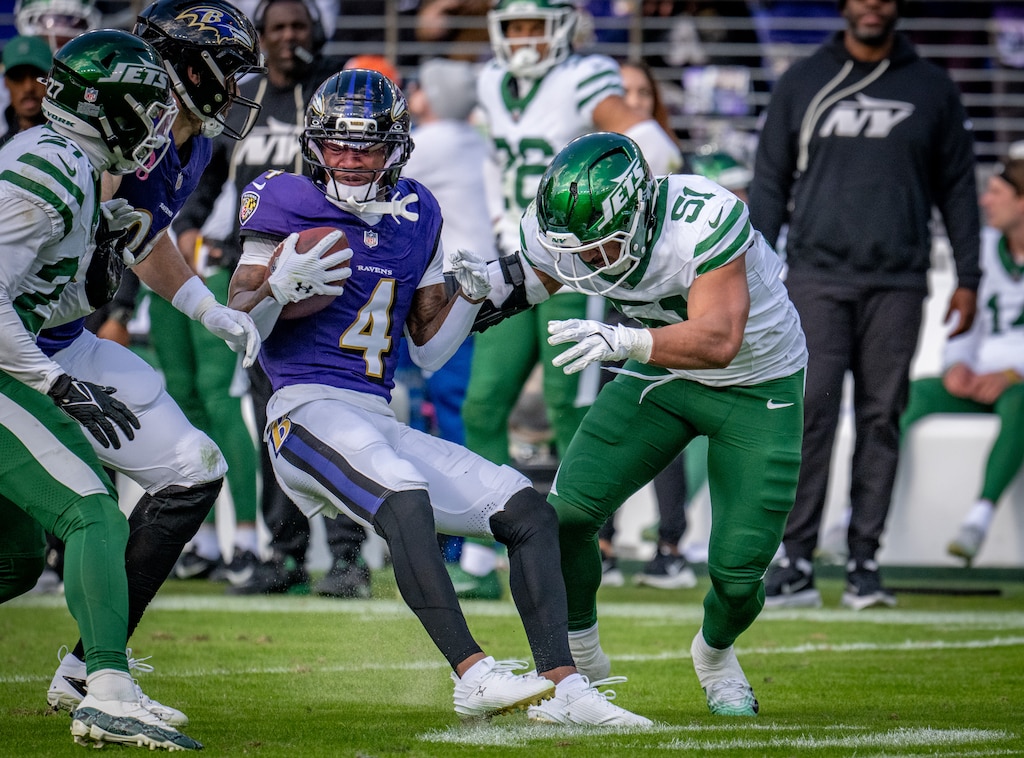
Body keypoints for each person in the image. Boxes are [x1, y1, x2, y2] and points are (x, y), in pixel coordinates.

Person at [227, 68, 652, 727]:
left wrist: (479, 295)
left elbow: (426, 348)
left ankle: (563, 686)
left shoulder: (416, 212)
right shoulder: (280, 198)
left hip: (374, 413)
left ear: (395, 147)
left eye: (364, 146)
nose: (348, 159)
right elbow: (239, 332)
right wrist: (277, 288)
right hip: (301, 410)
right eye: (336, 145)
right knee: (403, 492)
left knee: (526, 511)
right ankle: (474, 675)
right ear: (314, 144)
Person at [461, 131, 806, 716]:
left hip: (757, 384)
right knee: (565, 516)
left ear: (642, 212)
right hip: (663, 376)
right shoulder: (566, 234)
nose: (589, 259)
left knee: (739, 573)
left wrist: (626, 340)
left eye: (602, 245)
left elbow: (721, 339)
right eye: (578, 248)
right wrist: (478, 292)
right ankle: (583, 651)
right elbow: (542, 275)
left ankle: (716, 654)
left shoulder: (703, 216)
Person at [37, 0, 264, 723]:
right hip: (23, 342)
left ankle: (87, 666)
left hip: (67, 337)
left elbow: (141, 238)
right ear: (188, 64)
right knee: (53, 532)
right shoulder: (127, 117)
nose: (235, 90)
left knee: (193, 469)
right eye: (226, 71)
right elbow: (86, 214)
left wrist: (206, 307)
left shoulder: (189, 139)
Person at [0, 28, 202, 752]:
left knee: (17, 562)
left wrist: (100, 247)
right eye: (144, 108)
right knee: (94, 514)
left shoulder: (74, 170)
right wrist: (61, 384)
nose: (154, 126)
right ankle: (107, 688)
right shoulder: (50, 168)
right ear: (105, 108)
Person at [749, 0, 981, 611]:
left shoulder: (932, 88)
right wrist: (751, 269)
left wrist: (969, 276)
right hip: (816, 278)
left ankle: (863, 563)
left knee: (882, 419)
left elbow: (959, 186)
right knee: (811, 416)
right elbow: (770, 179)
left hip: (900, 281)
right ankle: (795, 561)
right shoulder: (803, 81)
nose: (872, 5)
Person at [460, 0, 681, 597]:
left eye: (536, 25)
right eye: (515, 27)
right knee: (483, 403)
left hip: (575, 264)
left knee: (569, 407)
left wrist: (620, 225)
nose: (525, 39)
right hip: (516, 255)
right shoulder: (488, 79)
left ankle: (585, 542)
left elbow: (653, 146)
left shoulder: (585, 75)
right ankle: (486, 553)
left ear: (560, 28)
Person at [172, 0, 372, 598]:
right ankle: (282, 555)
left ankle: (347, 558)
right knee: (272, 424)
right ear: (260, 36)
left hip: (331, 278)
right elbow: (211, 172)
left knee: (340, 420)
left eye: (298, 26)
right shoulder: (243, 97)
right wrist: (194, 221)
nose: (288, 38)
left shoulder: (337, 93)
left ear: (319, 30)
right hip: (259, 277)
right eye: (277, 28)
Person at [596, 58, 694, 590]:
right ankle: (603, 541)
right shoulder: (588, 169)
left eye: (641, 93)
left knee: (669, 425)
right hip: (612, 306)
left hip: (672, 314)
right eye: (621, 92)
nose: (631, 102)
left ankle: (671, 544)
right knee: (611, 417)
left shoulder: (679, 170)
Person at [901, 157, 1024, 566]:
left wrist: (1014, 373)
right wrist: (957, 364)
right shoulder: (986, 250)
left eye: (997, 193)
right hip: (980, 377)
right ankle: (854, 512)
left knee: (1021, 402)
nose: (985, 200)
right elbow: (966, 323)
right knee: (909, 393)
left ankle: (979, 517)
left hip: (1016, 385)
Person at [1, 34, 50, 145]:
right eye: (18, 77)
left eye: (37, 75)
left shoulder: (78, 145)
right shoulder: (2, 150)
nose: (28, 87)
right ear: (6, 83)